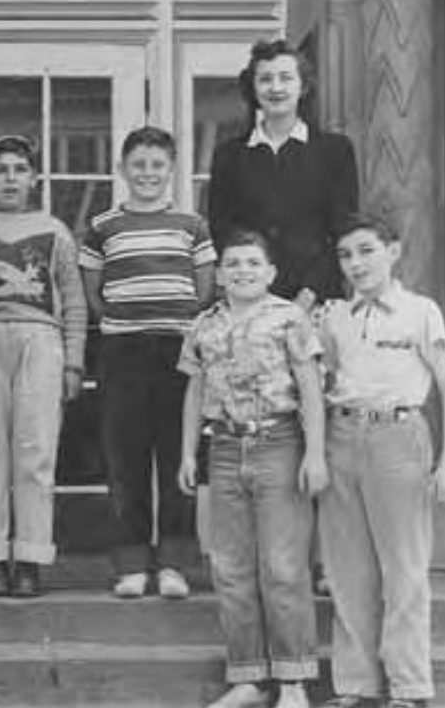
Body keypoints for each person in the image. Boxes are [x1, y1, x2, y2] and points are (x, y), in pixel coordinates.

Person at [314, 215, 445, 708]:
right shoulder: (334, 316)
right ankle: (357, 684)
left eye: (365, 251)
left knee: (404, 568)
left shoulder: (419, 311)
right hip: (343, 435)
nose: (355, 264)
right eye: (346, 255)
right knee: (347, 568)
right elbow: (319, 381)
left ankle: (409, 686)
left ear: (392, 251)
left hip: (399, 437)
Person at [178, 231, 326, 708]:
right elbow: (194, 392)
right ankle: (247, 676)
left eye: (253, 263)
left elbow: (309, 388)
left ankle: (293, 680)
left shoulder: (290, 318)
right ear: (219, 273)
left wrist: (316, 453)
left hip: (278, 443)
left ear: (270, 272)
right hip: (223, 446)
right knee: (231, 567)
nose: (242, 270)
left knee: (283, 567)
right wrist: (186, 453)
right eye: (233, 263)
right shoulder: (204, 324)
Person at [0, 134, 88, 598]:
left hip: (39, 339)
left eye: (19, 170)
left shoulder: (55, 230)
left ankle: (29, 556)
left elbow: (72, 299)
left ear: (33, 179)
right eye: (2, 169)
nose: (10, 178)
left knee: (35, 452)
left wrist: (74, 361)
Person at [79, 126, 214, 600]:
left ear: (171, 170)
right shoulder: (102, 226)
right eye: (138, 165)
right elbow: (93, 292)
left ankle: (175, 563)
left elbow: (203, 287)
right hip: (122, 351)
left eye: (157, 165)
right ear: (122, 169)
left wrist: (178, 322)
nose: (148, 174)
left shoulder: (191, 225)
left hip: (177, 350)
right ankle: (132, 563)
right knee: (125, 459)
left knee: (179, 457)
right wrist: (121, 319)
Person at [207, 39, 359, 311]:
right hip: (250, 301)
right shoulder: (229, 155)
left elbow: (343, 231)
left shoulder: (334, 151)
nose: (275, 88)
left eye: (286, 78)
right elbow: (223, 231)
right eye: (265, 79)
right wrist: (253, 292)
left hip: (317, 302)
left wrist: (308, 296)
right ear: (253, 88)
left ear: (303, 86)